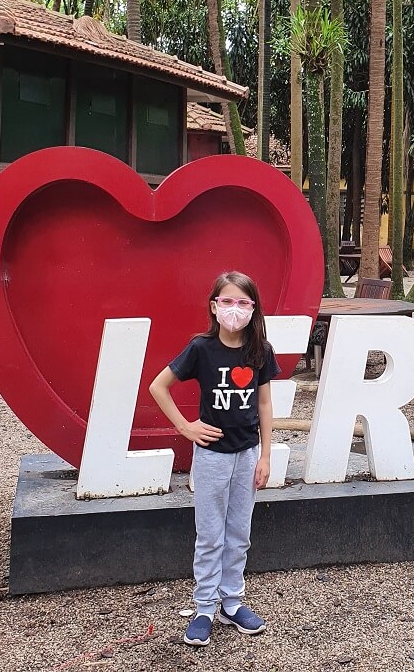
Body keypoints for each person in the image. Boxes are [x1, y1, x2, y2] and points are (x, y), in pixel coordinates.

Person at [150, 271, 278, 646]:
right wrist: (186, 428)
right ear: (214, 306)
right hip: (211, 458)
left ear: (253, 309)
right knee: (210, 535)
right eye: (227, 301)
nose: (234, 309)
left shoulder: (260, 351)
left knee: (239, 533)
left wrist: (265, 455)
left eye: (243, 302)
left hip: (247, 454)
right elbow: (159, 386)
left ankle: (231, 603)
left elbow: (266, 403)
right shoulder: (201, 349)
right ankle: (204, 606)